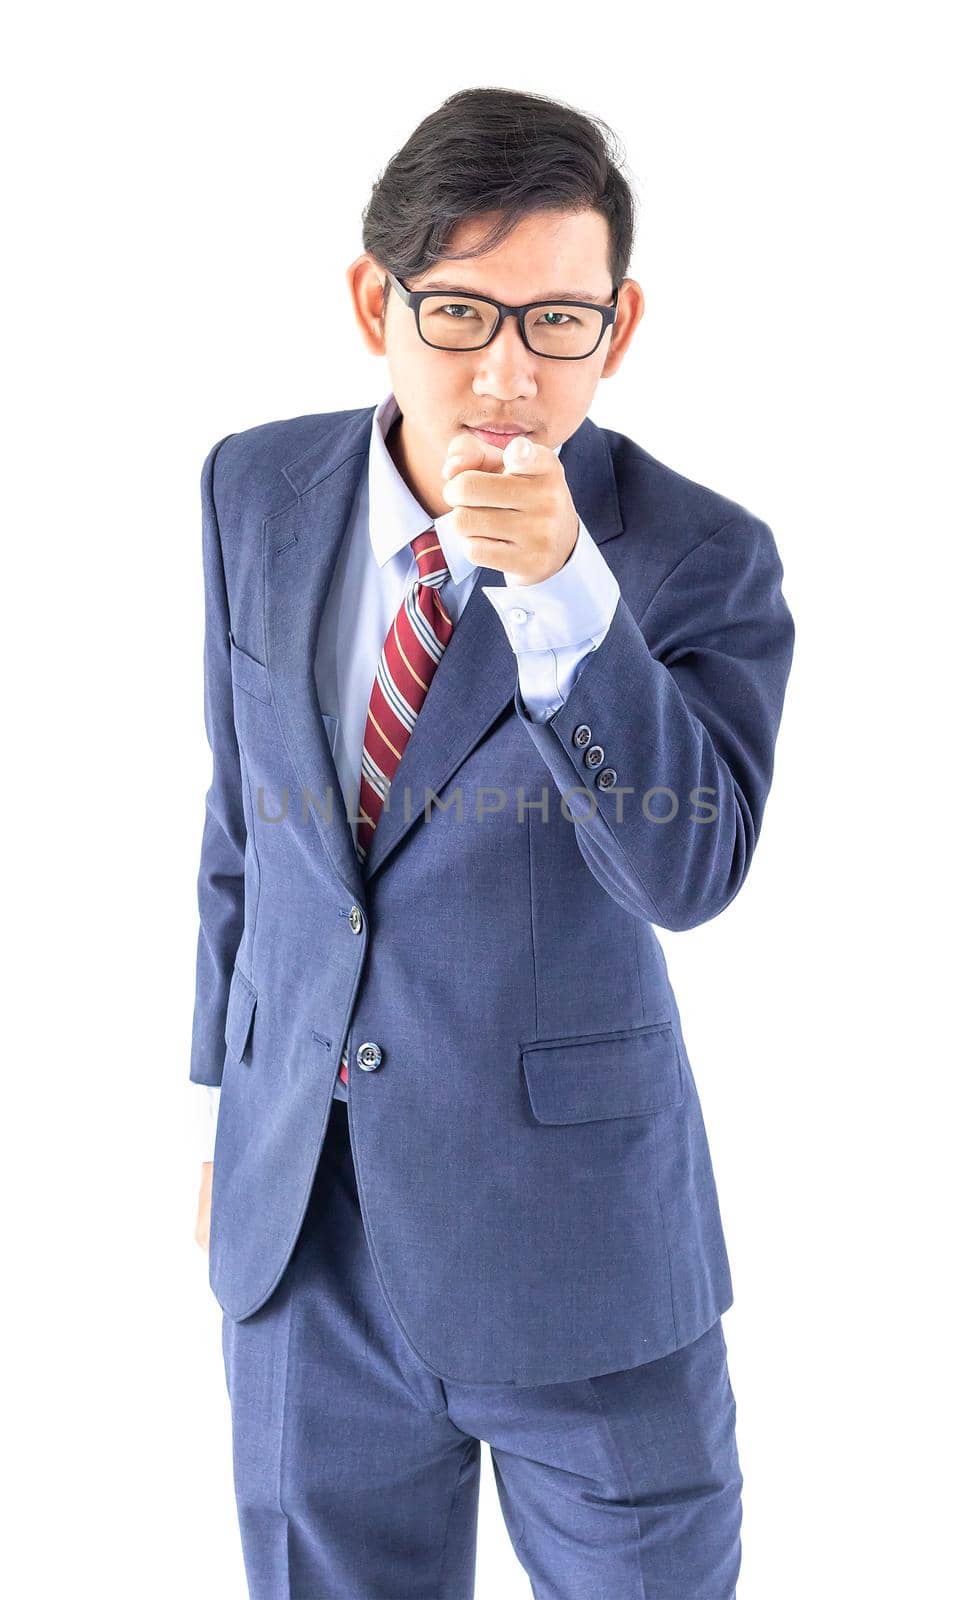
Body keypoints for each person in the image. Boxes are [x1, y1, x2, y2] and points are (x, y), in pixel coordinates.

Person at [189, 85, 795, 1600]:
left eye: (558, 322)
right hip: (304, 1236)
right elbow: (244, 821)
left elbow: (692, 868)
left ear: (622, 323)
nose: (509, 371)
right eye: (459, 312)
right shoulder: (253, 490)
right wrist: (225, 1101)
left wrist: (567, 603)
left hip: (582, 1260)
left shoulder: (697, 556)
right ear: (370, 303)